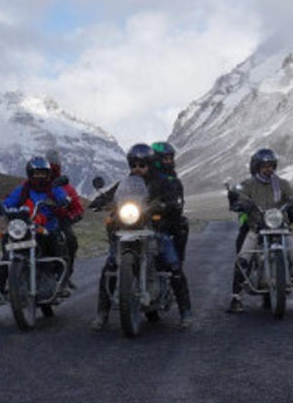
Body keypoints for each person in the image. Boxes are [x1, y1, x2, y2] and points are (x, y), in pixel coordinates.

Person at [89, 143, 194, 329]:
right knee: (110, 266)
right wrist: (101, 200)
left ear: (150, 164)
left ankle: (185, 312)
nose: (137, 169)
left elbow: (173, 199)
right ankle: (102, 313)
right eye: (134, 165)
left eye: (142, 165)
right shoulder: (125, 183)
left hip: (155, 230)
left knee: (173, 265)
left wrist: (166, 205)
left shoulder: (163, 181)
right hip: (127, 231)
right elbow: (112, 195)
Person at [0, 156, 74, 325]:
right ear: (30, 174)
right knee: (2, 266)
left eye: (43, 174)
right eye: (36, 173)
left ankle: (62, 281)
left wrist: (62, 200)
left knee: (59, 247)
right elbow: (9, 202)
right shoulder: (23, 189)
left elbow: (62, 197)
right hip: (24, 229)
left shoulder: (53, 188)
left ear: (48, 175)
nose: (39, 177)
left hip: (46, 228)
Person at [227, 148, 293, 313]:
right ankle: (236, 298)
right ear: (257, 167)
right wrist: (239, 204)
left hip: (281, 228)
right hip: (257, 228)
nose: (268, 169)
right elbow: (239, 197)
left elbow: (292, 197)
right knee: (242, 260)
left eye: (271, 165)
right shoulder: (248, 184)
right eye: (264, 166)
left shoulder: (281, 184)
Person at [46, 149, 84, 295]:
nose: (52, 167)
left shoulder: (66, 188)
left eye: (54, 164)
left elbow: (78, 208)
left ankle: (65, 275)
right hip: (39, 220)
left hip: (61, 221)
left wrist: (71, 217)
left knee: (69, 241)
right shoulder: (35, 184)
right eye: (49, 164)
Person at [150, 141, 190, 264]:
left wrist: (170, 205)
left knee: (181, 225)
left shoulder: (172, 180)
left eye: (170, 158)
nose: (169, 161)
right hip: (140, 218)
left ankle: (177, 265)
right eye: (165, 159)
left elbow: (178, 199)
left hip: (164, 218)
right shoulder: (143, 174)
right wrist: (103, 199)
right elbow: (125, 187)